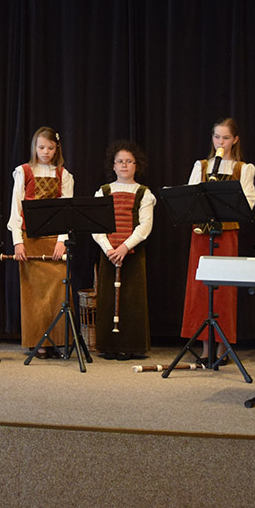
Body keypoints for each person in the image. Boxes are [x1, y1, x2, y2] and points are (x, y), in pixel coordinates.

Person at [180, 117, 255, 362]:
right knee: (201, 289)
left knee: (224, 290)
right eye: (216, 137)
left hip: (227, 232)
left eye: (225, 137)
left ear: (235, 140)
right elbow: (190, 196)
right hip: (201, 233)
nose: (220, 142)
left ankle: (223, 349)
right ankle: (205, 348)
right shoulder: (202, 166)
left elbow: (249, 201)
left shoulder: (243, 168)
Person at [8, 126, 73, 358]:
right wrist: (18, 241)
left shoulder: (64, 175)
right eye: (41, 147)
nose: (45, 152)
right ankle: (38, 342)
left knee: (58, 290)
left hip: (54, 240)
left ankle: (57, 340)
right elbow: (16, 208)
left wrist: (62, 240)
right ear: (35, 148)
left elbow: (67, 211)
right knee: (33, 293)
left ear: (57, 149)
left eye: (50, 148)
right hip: (31, 238)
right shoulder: (23, 172)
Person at [92, 141, 155, 361]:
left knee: (131, 299)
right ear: (113, 165)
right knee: (108, 299)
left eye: (129, 161)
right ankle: (108, 345)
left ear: (137, 165)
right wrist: (109, 249)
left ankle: (130, 346)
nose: (124, 165)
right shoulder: (104, 191)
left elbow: (145, 226)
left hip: (132, 254)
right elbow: (96, 225)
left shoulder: (143, 193)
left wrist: (125, 247)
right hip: (109, 253)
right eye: (120, 161)